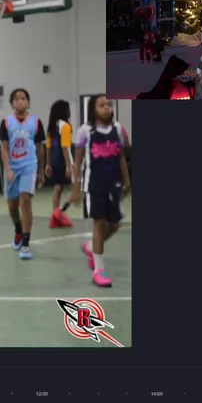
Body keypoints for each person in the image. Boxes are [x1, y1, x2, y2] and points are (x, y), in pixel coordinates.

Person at [69, 95, 130, 288]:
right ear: (93, 109)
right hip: (94, 185)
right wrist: (76, 186)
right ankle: (99, 270)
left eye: (109, 105)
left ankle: (90, 247)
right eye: (102, 105)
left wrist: (127, 180)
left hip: (114, 184)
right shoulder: (85, 131)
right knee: (99, 223)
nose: (106, 108)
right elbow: (78, 161)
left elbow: (121, 157)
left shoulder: (118, 129)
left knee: (114, 225)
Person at [0, 88, 46, 260]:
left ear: (28, 102)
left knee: (25, 199)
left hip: (29, 165)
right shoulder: (6, 122)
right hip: (13, 166)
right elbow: (4, 148)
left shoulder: (36, 122)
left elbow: (40, 148)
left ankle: (26, 243)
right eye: (17, 99)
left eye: (23, 98)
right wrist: (8, 169)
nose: (20, 101)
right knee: (12, 207)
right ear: (12, 103)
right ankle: (18, 229)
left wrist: (41, 171)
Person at [45, 100, 75, 228]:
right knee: (76, 188)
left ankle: (55, 216)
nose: (69, 111)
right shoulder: (66, 126)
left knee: (58, 188)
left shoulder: (52, 127)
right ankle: (59, 212)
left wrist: (48, 164)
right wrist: (68, 165)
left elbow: (48, 147)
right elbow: (65, 147)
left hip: (54, 160)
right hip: (63, 160)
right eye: (67, 109)